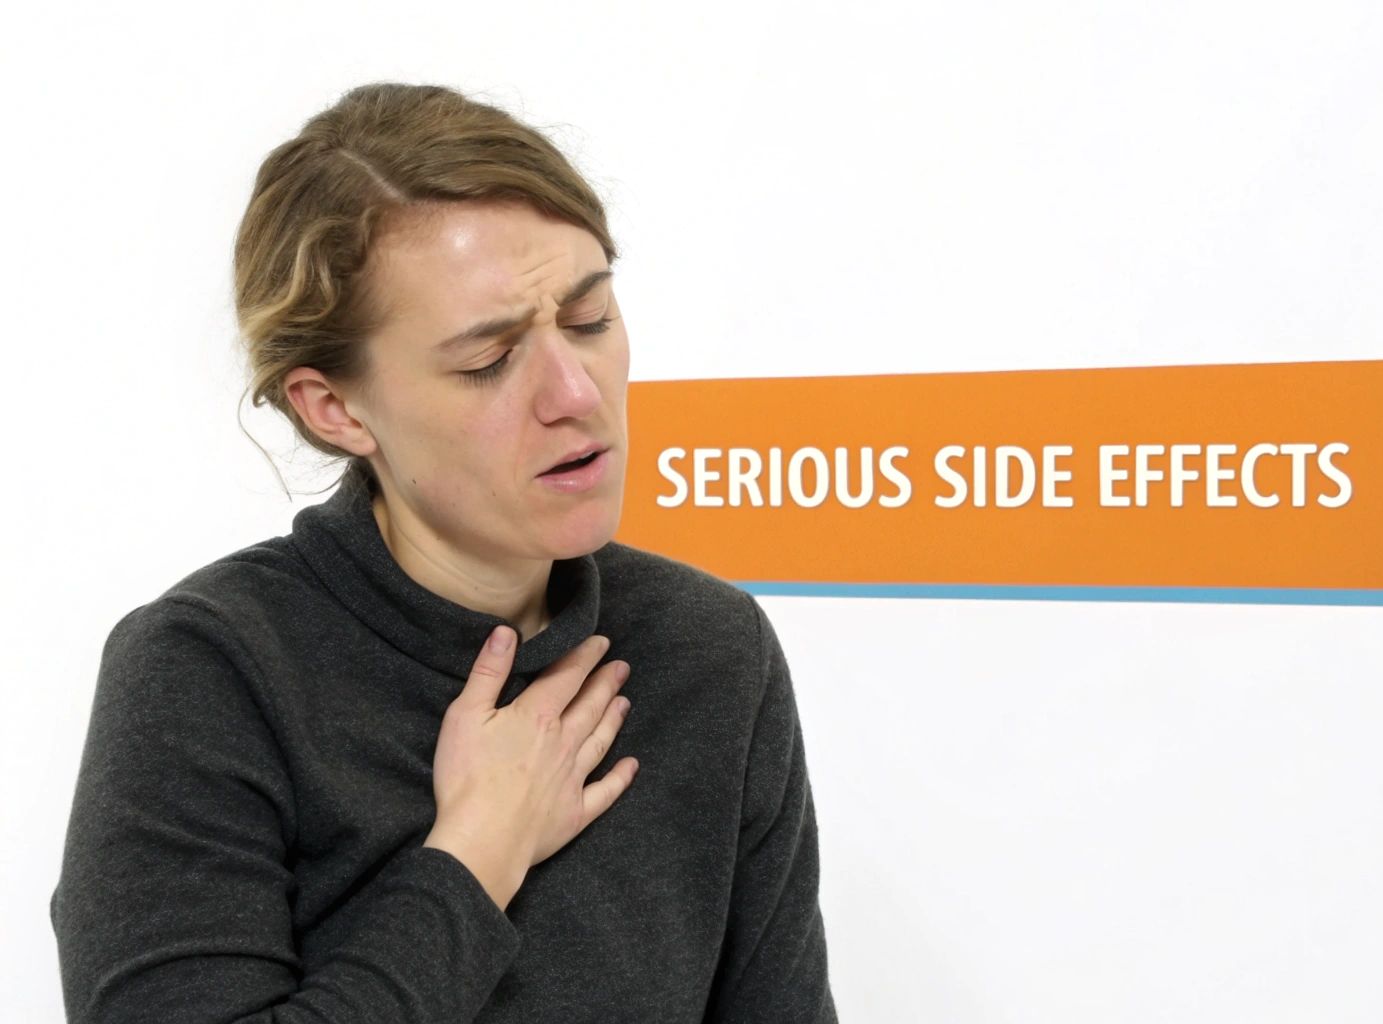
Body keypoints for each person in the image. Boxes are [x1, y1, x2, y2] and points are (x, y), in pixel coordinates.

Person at [49, 82, 837, 1023]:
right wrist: (473, 857)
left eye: (589, 320)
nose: (574, 392)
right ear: (334, 409)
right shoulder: (208, 673)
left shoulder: (710, 648)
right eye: (487, 360)